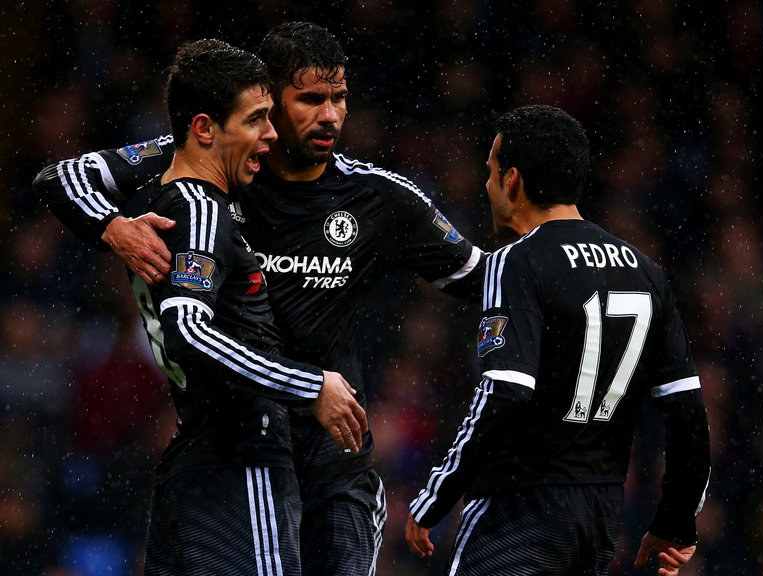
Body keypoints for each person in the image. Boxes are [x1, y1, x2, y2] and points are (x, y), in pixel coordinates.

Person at [33, 21, 486, 575]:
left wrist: (563, 275)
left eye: (339, 98)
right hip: (241, 453)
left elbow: (486, 282)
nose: (330, 116)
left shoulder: (379, 198)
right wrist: (112, 227)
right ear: (267, 101)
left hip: (331, 473)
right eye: (310, 99)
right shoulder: (210, 167)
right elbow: (59, 178)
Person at [405, 105, 710, 576]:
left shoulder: (516, 261)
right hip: (600, 516)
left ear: (513, 181)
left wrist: (435, 496)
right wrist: (677, 521)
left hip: (517, 512)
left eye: (491, 172)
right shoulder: (647, 271)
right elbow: (687, 410)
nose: (487, 186)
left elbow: (504, 392)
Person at [105, 38, 366, 575]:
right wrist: (310, 383)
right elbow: (188, 331)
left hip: (194, 462)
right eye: (256, 120)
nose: (271, 135)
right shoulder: (202, 209)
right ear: (204, 129)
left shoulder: (163, 205)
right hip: (243, 460)